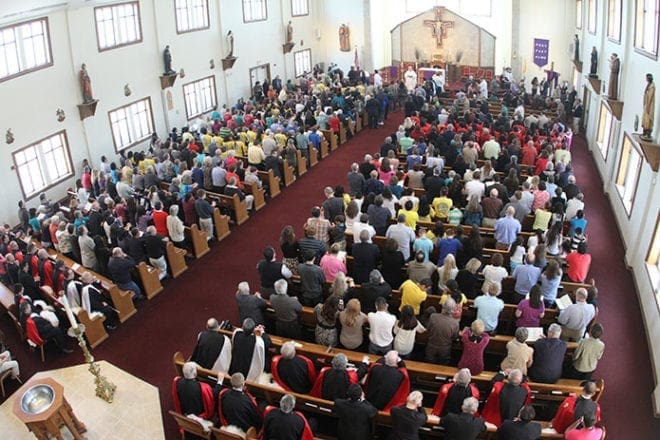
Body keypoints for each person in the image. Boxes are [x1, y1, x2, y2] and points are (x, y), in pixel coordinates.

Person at [228, 318, 271, 382]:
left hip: (236, 365)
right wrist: (262, 332)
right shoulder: (258, 341)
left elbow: (239, 330)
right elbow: (268, 343)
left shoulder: (236, 334)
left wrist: (253, 330)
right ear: (253, 330)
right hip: (248, 370)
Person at [425, 298, 459, 364]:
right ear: (453, 309)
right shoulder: (455, 323)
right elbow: (454, 337)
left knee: (429, 363)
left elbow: (428, 329)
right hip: (445, 348)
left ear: (443, 307)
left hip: (431, 346)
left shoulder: (433, 316)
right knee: (443, 364)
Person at [642, 73, 655, 139]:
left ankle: (648, 133)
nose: (646, 79)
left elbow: (650, 96)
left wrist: (647, 105)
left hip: (649, 106)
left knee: (648, 120)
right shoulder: (649, 85)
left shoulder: (652, 86)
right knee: (645, 119)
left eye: (646, 78)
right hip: (646, 105)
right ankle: (644, 132)